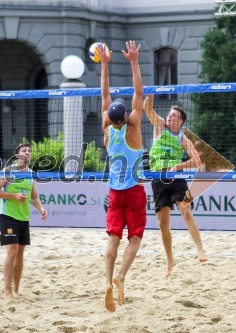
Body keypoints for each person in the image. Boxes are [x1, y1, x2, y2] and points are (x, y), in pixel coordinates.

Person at [99, 41, 146, 312]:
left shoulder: (107, 130)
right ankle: (120, 277)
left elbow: (105, 96)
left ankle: (107, 280)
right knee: (135, 238)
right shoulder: (134, 127)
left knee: (113, 238)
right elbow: (139, 91)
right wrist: (134, 61)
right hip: (134, 191)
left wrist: (105, 66)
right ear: (126, 115)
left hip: (115, 192)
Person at [143, 95, 208, 277]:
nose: (170, 118)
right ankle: (170, 259)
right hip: (158, 178)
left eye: (174, 116)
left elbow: (197, 160)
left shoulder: (183, 139)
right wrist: (150, 94)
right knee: (163, 224)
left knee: (186, 211)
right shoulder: (160, 126)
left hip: (177, 178)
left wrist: (179, 165)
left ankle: (200, 250)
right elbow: (147, 110)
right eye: (169, 115)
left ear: (180, 122)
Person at [0, 143, 48, 299]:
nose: (27, 153)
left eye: (29, 151)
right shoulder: (8, 172)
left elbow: (34, 197)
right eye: (24, 151)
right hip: (8, 216)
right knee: (13, 250)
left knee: (20, 254)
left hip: (23, 217)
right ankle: (7, 291)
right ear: (17, 155)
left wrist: (41, 208)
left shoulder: (30, 174)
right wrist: (14, 196)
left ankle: (16, 289)